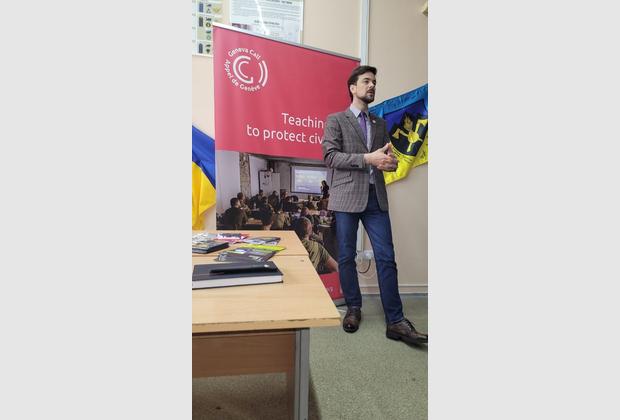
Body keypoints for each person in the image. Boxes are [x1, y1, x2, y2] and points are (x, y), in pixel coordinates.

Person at [321, 65, 427, 346]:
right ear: (352, 88)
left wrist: (389, 163)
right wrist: (368, 159)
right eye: (366, 81)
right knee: (346, 256)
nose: (372, 86)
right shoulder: (336, 120)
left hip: (375, 196)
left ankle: (396, 321)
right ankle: (353, 308)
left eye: (374, 82)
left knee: (386, 257)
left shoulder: (379, 124)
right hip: (346, 196)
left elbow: (385, 158)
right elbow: (330, 157)